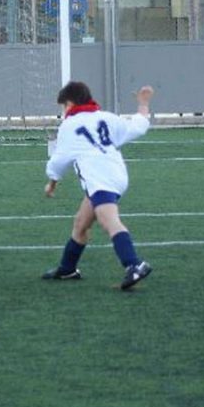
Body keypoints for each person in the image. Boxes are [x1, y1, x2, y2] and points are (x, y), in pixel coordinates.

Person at [42, 81, 154, 291]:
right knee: (81, 223)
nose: (63, 111)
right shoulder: (105, 116)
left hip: (100, 178)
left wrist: (51, 183)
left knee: (109, 221)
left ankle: (134, 264)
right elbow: (137, 127)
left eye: (63, 106)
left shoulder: (69, 124)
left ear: (69, 103)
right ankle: (67, 269)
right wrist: (143, 103)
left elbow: (59, 160)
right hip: (116, 173)